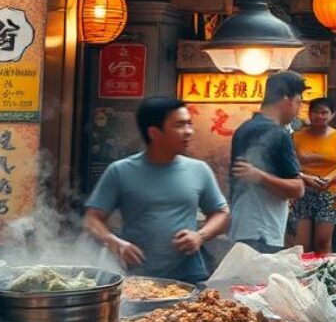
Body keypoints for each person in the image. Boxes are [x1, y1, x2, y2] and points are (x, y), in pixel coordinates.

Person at [84, 97, 230, 283]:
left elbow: (222, 214)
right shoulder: (120, 171)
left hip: (189, 276)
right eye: (179, 125)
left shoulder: (199, 169)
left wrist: (200, 236)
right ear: (154, 132)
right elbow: (91, 219)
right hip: (136, 278)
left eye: (189, 124)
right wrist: (115, 242)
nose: (189, 132)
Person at [228, 72, 308, 254]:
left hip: (242, 227)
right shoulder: (277, 133)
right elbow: (297, 189)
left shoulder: (243, 129)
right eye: (298, 102)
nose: (298, 110)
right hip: (262, 231)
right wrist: (260, 177)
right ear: (285, 99)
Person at [289, 97, 336, 255]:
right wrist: (304, 177)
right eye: (316, 112)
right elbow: (289, 166)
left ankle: (324, 275)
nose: (320, 116)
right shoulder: (297, 136)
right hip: (302, 193)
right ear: (309, 114)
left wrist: (333, 178)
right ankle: (301, 277)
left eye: (324, 112)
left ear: (332, 115)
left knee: (323, 242)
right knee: (301, 245)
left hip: (328, 194)